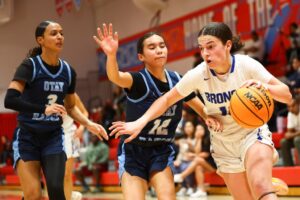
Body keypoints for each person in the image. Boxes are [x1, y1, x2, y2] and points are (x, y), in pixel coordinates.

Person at [110, 22, 292, 200]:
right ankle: (258, 183)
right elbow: (165, 99)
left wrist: (264, 87)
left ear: (228, 45)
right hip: (223, 144)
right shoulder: (197, 74)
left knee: (261, 186)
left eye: (211, 47)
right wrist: (139, 122)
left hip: (251, 134)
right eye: (202, 48)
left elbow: (287, 95)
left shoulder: (246, 65)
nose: (205, 53)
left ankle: (262, 183)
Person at [93, 23, 221, 200]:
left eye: (162, 46)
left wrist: (211, 118)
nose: (159, 50)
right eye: (152, 48)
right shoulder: (137, 80)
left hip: (161, 150)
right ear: (141, 56)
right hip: (134, 151)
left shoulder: (178, 80)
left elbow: (199, 107)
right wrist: (111, 55)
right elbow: (115, 76)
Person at [4, 20, 108, 200]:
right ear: (40, 40)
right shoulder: (30, 66)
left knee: (56, 188)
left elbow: (71, 107)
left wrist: (89, 123)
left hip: (53, 137)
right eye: (53, 33)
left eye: (61, 33)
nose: (59, 36)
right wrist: (43, 109)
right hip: (28, 137)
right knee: (33, 194)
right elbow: (10, 100)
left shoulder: (68, 71)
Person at [174, 123, 217, 198]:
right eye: (197, 129)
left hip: (213, 165)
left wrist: (193, 156)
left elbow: (205, 154)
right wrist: (198, 139)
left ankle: (182, 176)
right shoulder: (199, 139)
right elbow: (197, 152)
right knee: (198, 167)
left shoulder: (209, 139)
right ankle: (201, 190)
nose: (199, 131)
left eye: (201, 129)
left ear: (205, 130)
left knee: (197, 160)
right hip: (204, 165)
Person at [63, 93, 88, 200]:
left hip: (68, 133)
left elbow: (84, 112)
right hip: (50, 134)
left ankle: (68, 196)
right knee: (53, 177)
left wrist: (82, 127)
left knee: (67, 174)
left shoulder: (71, 94)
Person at [280, 98, 300, 166]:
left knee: (297, 140)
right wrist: (292, 134)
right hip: (296, 137)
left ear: (298, 104)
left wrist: (292, 134)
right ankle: (288, 167)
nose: (291, 108)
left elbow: (291, 133)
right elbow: (289, 131)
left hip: (297, 138)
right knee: (284, 142)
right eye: (289, 107)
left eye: (293, 106)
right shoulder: (290, 114)